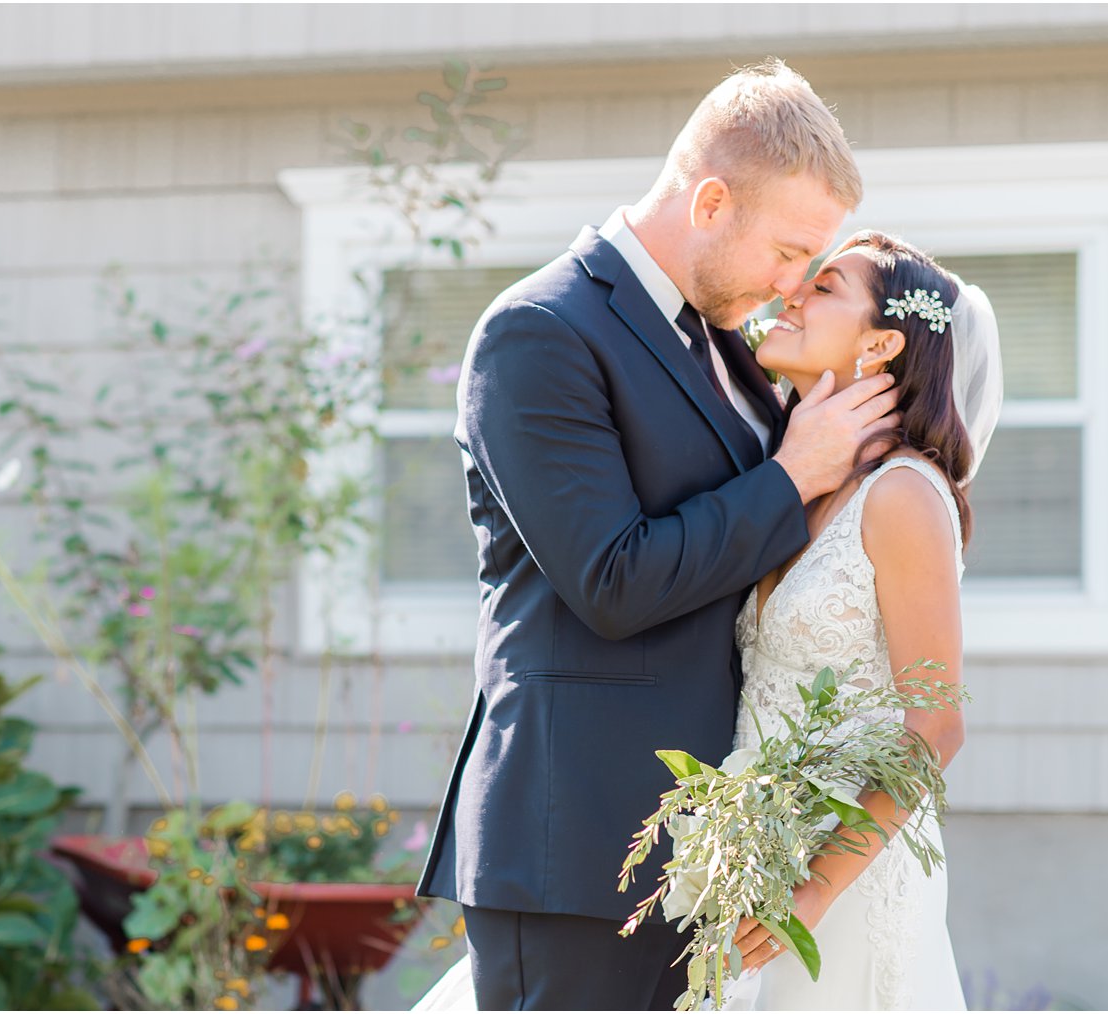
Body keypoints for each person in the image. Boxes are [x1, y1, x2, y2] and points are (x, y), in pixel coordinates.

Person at [414, 60, 901, 1011]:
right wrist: (794, 476)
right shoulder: (540, 333)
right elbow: (613, 579)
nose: (793, 284)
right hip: (581, 846)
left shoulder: (728, 342)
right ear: (711, 200)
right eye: (791, 250)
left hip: (707, 847)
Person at [721, 230, 1002, 1010]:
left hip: (844, 886)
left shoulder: (904, 496)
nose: (792, 295)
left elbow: (936, 726)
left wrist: (810, 896)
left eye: (826, 286)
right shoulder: (792, 482)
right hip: (753, 858)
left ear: (880, 343)